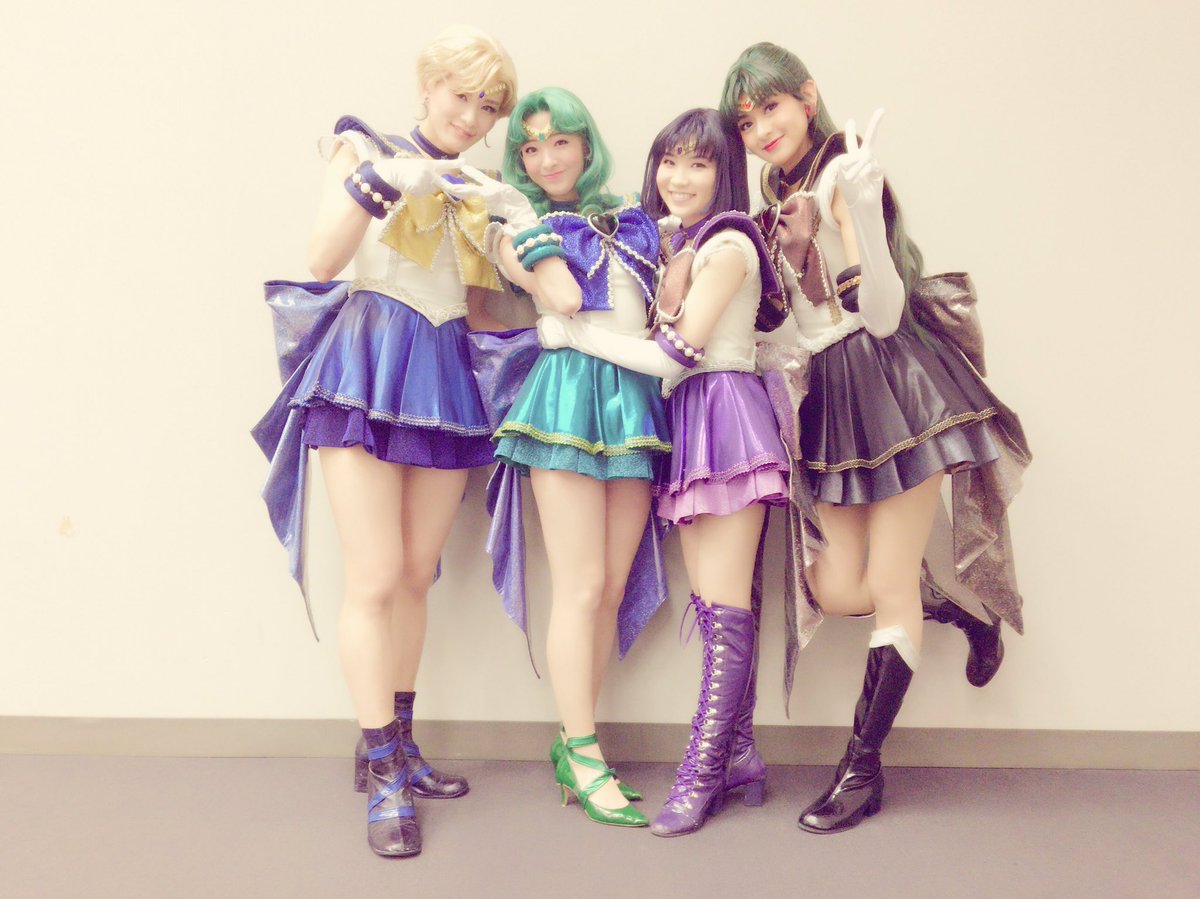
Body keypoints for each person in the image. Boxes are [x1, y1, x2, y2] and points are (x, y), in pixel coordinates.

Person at [719, 42, 1030, 833]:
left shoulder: (840, 172)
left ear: (807, 96)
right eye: (746, 122)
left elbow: (883, 315)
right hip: (829, 396)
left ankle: (862, 769)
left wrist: (860, 207)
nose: (760, 130)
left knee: (886, 583)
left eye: (771, 108)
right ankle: (951, 607)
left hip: (893, 385)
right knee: (833, 587)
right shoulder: (774, 194)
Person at [253, 26, 517, 856]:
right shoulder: (362, 146)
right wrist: (384, 178)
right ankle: (381, 769)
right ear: (429, 84)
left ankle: (399, 744)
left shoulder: (480, 185)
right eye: (461, 94)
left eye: (488, 105)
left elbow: (480, 308)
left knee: (411, 575)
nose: (471, 115)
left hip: (442, 373)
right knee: (371, 575)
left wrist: (523, 235)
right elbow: (322, 258)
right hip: (368, 365)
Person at [538, 108, 790, 836]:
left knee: (725, 605)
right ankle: (738, 754)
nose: (679, 177)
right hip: (693, 417)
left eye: (699, 163)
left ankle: (702, 775)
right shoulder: (681, 241)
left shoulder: (729, 244)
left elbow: (674, 354)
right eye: (669, 161)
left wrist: (573, 334)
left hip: (727, 413)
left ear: (725, 172)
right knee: (714, 606)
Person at [449, 87, 669, 828]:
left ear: (586, 144)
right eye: (530, 146)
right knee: (580, 585)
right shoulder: (515, 228)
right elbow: (566, 297)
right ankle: (582, 748)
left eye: (559, 141)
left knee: (610, 585)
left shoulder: (634, 215)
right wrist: (523, 221)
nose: (546, 158)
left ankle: (579, 740)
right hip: (567, 399)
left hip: (633, 398)